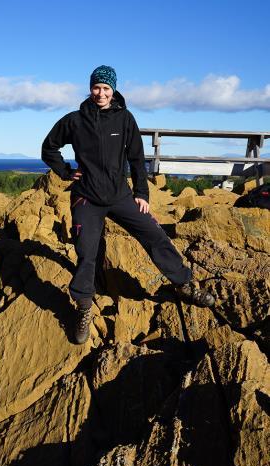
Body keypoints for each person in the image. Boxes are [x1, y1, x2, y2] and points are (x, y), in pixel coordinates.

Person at [42, 65, 215, 344]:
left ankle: (184, 284)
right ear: (90, 88)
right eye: (97, 87)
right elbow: (48, 147)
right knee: (86, 252)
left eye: (106, 88)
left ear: (114, 90)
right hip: (87, 197)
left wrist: (142, 194)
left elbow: (136, 159)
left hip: (121, 196)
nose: (101, 93)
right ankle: (84, 307)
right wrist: (64, 171)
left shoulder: (125, 119)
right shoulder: (74, 120)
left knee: (155, 235)